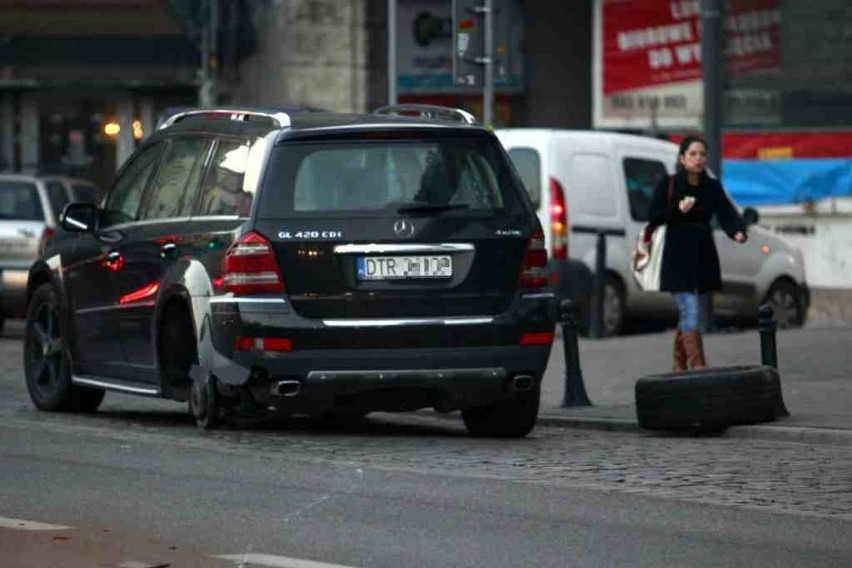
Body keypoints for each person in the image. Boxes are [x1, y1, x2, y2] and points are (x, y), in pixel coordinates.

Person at [646, 136, 747, 371]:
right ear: (682, 158)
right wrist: (677, 210)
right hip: (676, 258)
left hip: (702, 257)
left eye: (702, 154)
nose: (698, 158)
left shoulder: (711, 187)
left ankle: (678, 365)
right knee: (690, 308)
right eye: (693, 154)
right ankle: (698, 365)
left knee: (688, 311)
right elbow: (653, 215)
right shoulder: (669, 184)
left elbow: (727, 214)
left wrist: (737, 232)